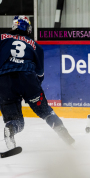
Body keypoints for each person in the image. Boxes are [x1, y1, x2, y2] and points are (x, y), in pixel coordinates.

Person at [0, 16, 75, 149]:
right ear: (28, 28)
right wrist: (32, 91)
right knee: (46, 112)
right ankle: (67, 138)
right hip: (28, 79)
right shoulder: (35, 45)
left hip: (4, 81)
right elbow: (40, 74)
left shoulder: (2, 38)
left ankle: (10, 129)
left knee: (16, 121)